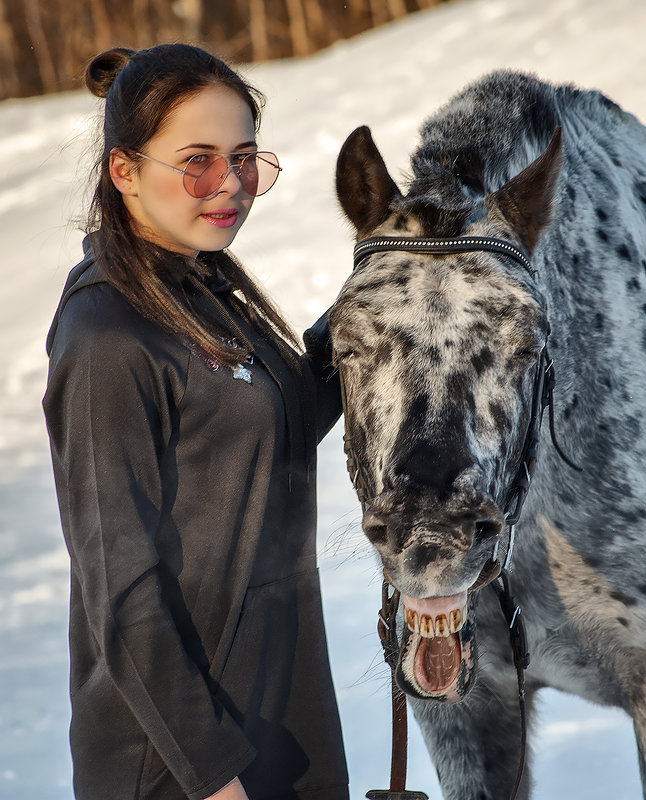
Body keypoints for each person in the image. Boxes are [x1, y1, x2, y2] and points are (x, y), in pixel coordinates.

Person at [43, 43, 349, 800]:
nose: (230, 186)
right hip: (179, 751)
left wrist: (387, 285)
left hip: (279, 711)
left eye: (244, 158)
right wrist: (211, 773)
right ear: (124, 171)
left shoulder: (203, 291)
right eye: (198, 161)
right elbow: (119, 577)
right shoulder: (107, 332)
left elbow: (273, 428)